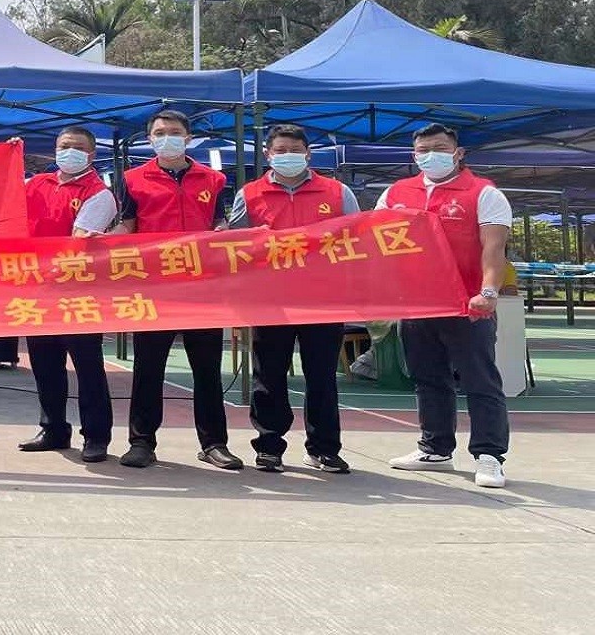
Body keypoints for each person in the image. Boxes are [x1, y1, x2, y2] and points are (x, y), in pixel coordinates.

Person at [378, 123, 512, 489]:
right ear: (414, 155)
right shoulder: (396, 193)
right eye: (423, 150)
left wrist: (488, 292)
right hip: (418, 305)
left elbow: (494, 248)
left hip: (468, 305)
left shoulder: (484, 193)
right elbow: (375, 244)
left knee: (479, 379)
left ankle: (489, 456)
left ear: (458, 153)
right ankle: (435, 448)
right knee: (428, 378)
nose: (430, 155)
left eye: (439, 148)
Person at [112, 109, 242, 471]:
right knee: (148, 368)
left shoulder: (214, 179)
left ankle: (214, 443)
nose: (166, 137)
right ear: (149, 139)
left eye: (173, 131)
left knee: (207, 369)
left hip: (202, 288)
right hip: (155, 288)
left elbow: (219, 221)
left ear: (188, 137)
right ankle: (141, 442)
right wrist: (101, 242)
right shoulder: (133, 179)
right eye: (159, 132)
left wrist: (223, 231)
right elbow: (127, 225)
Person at [228, 124, 359, 474]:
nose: (288, 156)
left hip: (323, 299)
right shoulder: (250, 194)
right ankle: (269, 446)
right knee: (269, 375)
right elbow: (234, 246)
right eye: (280, 150)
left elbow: (357, 238)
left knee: (322, 376)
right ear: (268, 155)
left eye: (295, 150)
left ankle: (324, 448)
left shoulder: (338, 192)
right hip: (271, 300)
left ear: (308, 154)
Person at [16, 127, 117, 462]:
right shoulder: (36, 184)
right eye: (64, 146)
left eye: (78, 147)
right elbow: (2, 202)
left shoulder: (99, 194)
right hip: (37, 290)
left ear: (91, 154)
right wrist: (5, 160)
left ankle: (96, 436)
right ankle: (53, 429)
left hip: (78, 293)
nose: (69, 151)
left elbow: (78, 239)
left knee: (87, 367)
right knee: (45, 364)